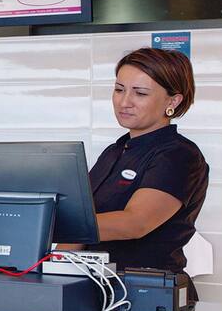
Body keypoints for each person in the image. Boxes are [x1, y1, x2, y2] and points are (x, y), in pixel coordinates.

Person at [85, 47, 208, 278]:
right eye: (119, 90)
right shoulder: (114, 152)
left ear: (173, 100)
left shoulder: (179, 155)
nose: (124, 102)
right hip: (95, 286)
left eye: (140, 93)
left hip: (149, 293)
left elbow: (135, 223)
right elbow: (81, 219)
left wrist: (51, 225)